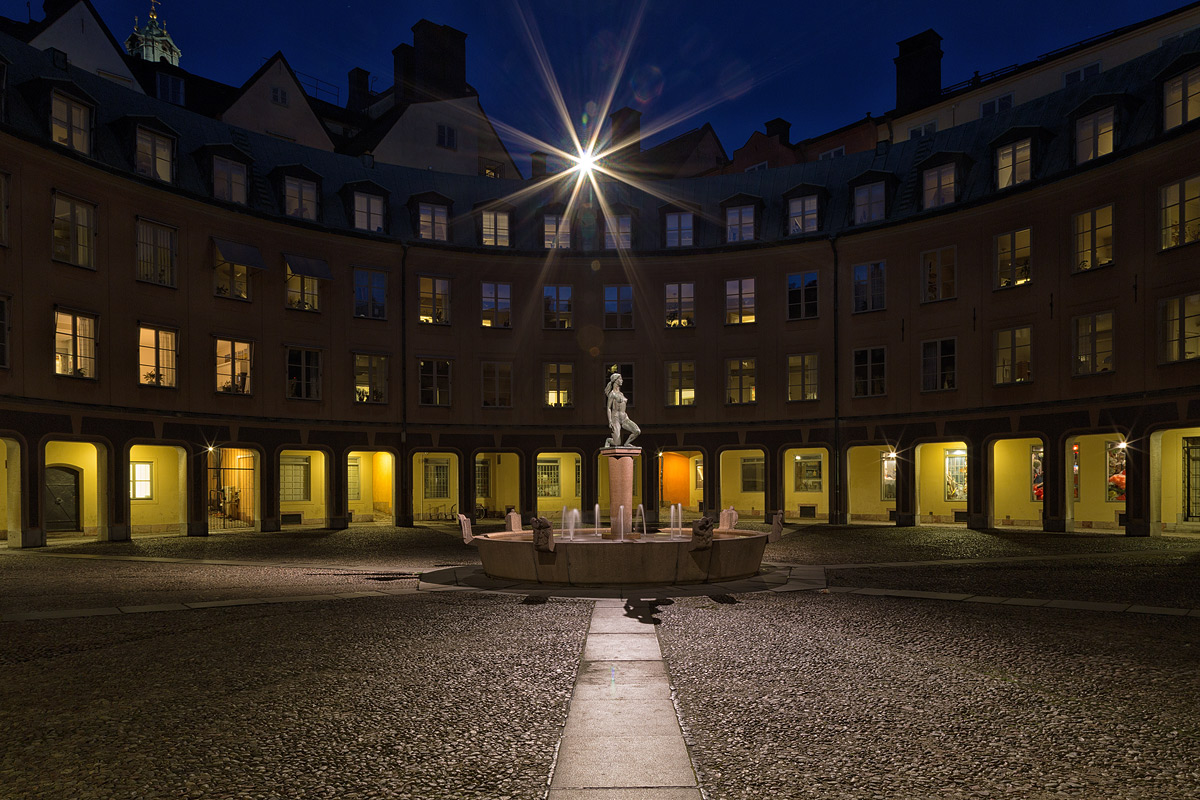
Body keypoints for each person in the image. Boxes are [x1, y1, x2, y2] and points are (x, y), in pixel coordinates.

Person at [604, 371, 640, 447]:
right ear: (615, 380)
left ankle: (627, 444)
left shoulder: (621, 394)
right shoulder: (612, 394)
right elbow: (608, 408)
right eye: (620, 379)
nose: (622, 380)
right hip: (615, 418)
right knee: (617, 443)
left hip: (624, 418)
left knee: (637, 431)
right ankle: (609, 440)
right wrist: (610, 421)